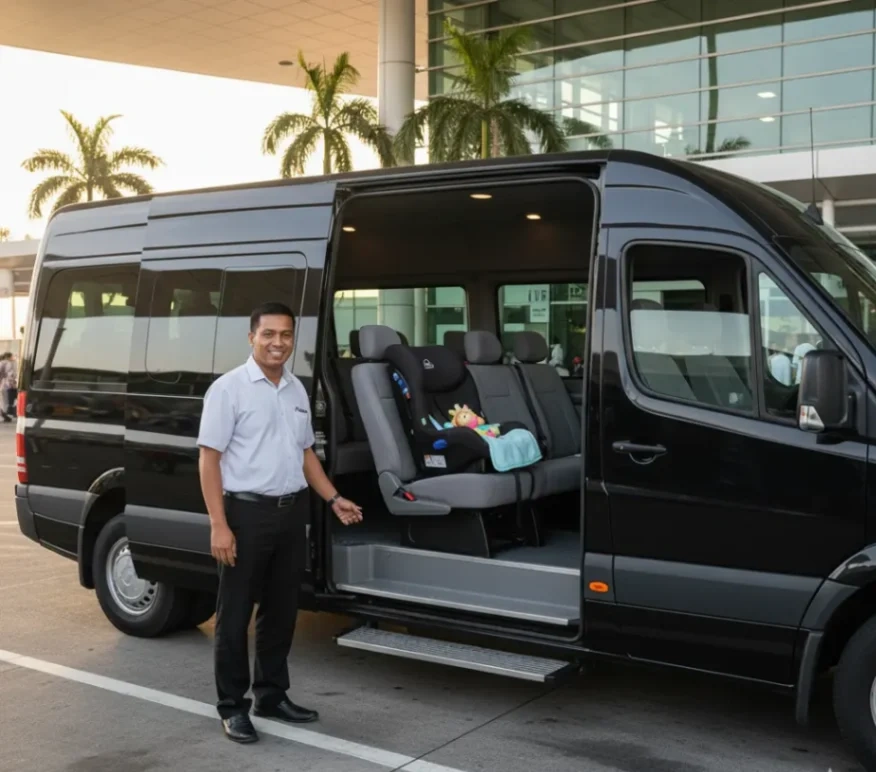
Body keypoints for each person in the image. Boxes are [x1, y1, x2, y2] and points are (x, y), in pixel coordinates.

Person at [197, 301, 363, 745]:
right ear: (252, 337)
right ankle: (233, 707)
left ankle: (271, 695)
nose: (278, 342)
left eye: (286, 335)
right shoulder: (229, 390)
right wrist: (219, 524)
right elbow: (209, 459)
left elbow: (305, 452)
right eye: (268, 334)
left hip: (291, 514)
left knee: (281, 610)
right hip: (245, 514)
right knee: (235, 615)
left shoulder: (295, 390)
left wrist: (333, 498)